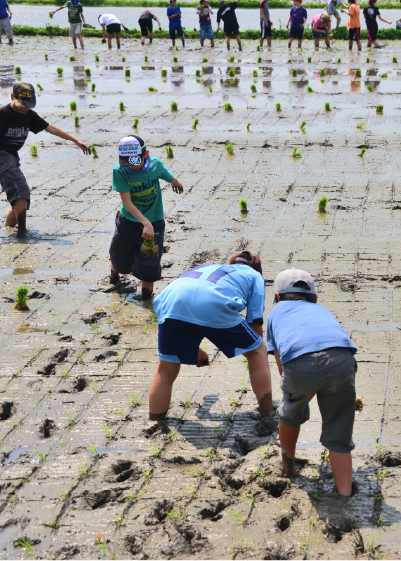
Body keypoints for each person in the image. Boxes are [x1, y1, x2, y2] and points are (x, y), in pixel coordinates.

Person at [151, 252, 275, 429]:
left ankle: (156, 422)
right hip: (213, 303)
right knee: (258, 352)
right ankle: (267, 415)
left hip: (171, 300)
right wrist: (254, 348)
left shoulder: (206, 268)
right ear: (258, 270)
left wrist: (195, 350)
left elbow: (189, 315)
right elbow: (254, 322)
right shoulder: (254, 276)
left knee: (166, 368)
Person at [266, 268, 358, 497]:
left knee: (289, 412)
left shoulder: (275, 315)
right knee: (339, 432)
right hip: (343, 360)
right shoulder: (322, 311)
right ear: (315, 298)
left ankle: (288, 467)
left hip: (299, 364)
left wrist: (298, 398)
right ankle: (345, 494)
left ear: (277, 297)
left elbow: (283, 366)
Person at [1, 84, 90, 238]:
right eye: (21, 104)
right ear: (11, 97)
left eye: (28, 105)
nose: (24, 108)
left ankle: (8, 230)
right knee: (21, 191)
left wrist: (75, 140)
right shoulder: (3, 114)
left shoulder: (29, 115)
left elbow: (49, 128)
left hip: (12, 157)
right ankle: (22, 234)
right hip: (2, 155)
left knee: (17, 200)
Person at [108, 135, 183, 300]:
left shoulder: (155, 164)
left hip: (154, 220)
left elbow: (164, 172)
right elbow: (127, 202)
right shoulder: (119, 171)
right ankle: (114, 275)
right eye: (128, 163)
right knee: (119, 256)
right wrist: (145, 222)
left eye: (135, 162)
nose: (132, 167)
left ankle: (146, 299)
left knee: (150, 261)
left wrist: (174, 181)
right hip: (128, 220)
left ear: (145, 154)